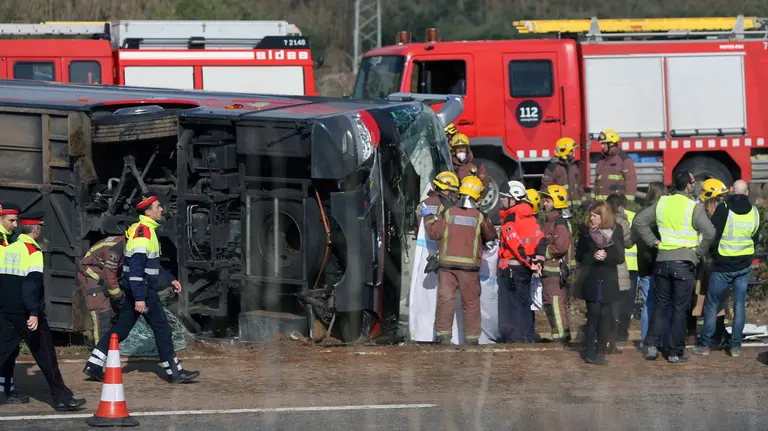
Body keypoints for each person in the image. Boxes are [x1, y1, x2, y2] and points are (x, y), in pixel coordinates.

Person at [84, 193, 199, 383]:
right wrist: (139, 298)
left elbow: (150, 264)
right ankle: (174, 372)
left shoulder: (143, 230)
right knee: (162, 329)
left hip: (138, 290)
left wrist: (170, 279)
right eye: (157, 207)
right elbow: (136, 271)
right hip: (144, 292)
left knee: (121, 329)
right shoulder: (144, 235)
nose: (161, 209)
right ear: (148, 211)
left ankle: (94, 364)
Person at [0, 211, 86, 411]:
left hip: (6, 312)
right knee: (46, 354)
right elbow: (31, 285)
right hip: (26, 314)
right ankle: (62, 398)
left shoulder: (8, 249)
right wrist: (33, 312)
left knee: (3, 353)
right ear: (36, 230)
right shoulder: (33, 251)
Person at [634, 171, 715, 363]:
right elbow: (710, 232)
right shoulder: (692, 207)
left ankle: (651, 346)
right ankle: (675, 352)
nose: (695, 184)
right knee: (679, 310)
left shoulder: (662, 202)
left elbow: (639, 222)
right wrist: (699, 252)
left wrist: (654, 242)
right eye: (693, 181)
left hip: (662, 262)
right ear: (687, 185)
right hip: (684, 264)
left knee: (660, 307)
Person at [423, 176, 496, 345]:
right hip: (469, 269)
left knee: (446, 301)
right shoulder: (479, 217)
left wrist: (428, 218)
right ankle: (471, 340)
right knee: (470, 304)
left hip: (447, 267)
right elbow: (491, 236)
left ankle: (443, 337)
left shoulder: (448, 212)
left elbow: (435, 233)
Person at [694, 180, 759, 359]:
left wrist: (712, 255)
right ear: (746, 193)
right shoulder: (754, 211)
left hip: (722, 265)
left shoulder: (723, 208)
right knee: (739, 306)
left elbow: (713, 234)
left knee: (712, 304)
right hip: (744, 266)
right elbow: (755, 238)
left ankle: (705, 344)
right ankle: (735, 347)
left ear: (731, 191)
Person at [573, 202, 626, 365]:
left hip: (609, 279)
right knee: (594, 316)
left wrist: (606, 256)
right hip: (592, 278)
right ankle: (589, 351)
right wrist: (594, 255)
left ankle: (600, 349)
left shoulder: (616, 231)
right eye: (591, 215)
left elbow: (619, 257)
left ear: (604, 216)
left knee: (606, 318)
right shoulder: (586, 232)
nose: (592, 218)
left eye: (595, 215)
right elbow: (579, 255)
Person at [496, 181, 546, 343]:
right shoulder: (530, 216)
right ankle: (528, 335)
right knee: (524, 302)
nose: (501, 200)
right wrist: (537, 259)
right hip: (525, 268)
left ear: (513, 199)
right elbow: (540, 239)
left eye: (505, 197)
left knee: (511, 304)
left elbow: (514, 243)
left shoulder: (511, 217)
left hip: (512, 268)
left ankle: (515, 337)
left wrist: (528, 260)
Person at [539, 185, 575, 343]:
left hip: (556, 271)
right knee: (550, 304)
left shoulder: (559, 224)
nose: (544, 204)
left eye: (547, 201)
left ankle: (562, 336)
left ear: (556, 203)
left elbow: (559, 247)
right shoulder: (551, 222)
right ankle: (557, 335)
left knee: (555, 304)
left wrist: (541, 252)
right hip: (549, 271)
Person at [77, 235, 127, 347]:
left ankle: (100, 343)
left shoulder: (128, 244)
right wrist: (118, 297)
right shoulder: (115, 249)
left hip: (105, 274)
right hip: (91, 273)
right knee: (102, 311)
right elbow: (110, 275)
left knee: (112, 312)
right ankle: (99, 351)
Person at [0, 202, 27, 404]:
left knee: (9, 348)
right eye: (11, 220)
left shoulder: (8, 240)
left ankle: (6, 387)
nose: (15, 225)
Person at [605, 193, 635, 353]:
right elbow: (629, 243)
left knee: (605, 306)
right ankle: (612, 341)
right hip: (619, 269)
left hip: (604, 269)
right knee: (617, 307)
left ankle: (602, 338)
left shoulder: (603, 221)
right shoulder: (622, 223)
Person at [592, 129, 637, 203]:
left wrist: (628, 204)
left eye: (604, 143)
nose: (602, 146)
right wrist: (592, 202)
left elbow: (631, 184)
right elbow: (596, 183)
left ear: (611, 144)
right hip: (600, 206)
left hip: (615, 206)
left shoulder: (625, 160)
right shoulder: (601, 161)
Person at [541, 137, 585, 208]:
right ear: (564, 151)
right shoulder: (553, 167)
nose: (573, 153)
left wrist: (584, 200)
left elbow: (579, 185)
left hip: (576, 209)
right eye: (571, 151)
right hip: (561, 208)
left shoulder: (574, 165)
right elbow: (546, 188)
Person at [450, 133, 489, 200]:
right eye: (458, 148)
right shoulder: (449, 165)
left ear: (467, 149)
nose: (460, 150)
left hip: (471, 201)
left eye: (463, 148)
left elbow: (484, 186)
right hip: (454, 202)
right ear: (453, 150)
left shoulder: (477, 165)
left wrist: (478, 200)